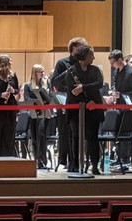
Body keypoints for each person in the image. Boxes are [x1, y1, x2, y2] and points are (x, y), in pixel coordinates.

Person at [55, 45, 104, 174]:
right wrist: (87, 96)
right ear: (84, 56)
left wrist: (84, 87)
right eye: (91, 55)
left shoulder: (95, 70)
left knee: (93, 137)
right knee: (76, 137)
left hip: (93, 108)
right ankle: (76, 164)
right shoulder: (72, 71)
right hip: (76, 109)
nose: (93, 57)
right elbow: (73, 90)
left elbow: (99, 83)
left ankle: (94, 165)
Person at [52, 37, 88, 170]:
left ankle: (79, 161)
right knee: (66, 132)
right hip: (67, 102)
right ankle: (65, 160)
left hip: (82, 103)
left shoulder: (85, 63)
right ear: (72, 48)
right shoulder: (63, 63)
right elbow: (55, 82)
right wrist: (69, 73)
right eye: (80, 48)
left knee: (79, 134)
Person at [108, 50, 132, 169]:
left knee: (125, 132)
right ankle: (118, 157)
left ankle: (125, 158)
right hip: (119, 106)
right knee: (117, 132)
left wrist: (120, 95)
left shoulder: (131, 73)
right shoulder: (116, 73)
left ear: (120, 60)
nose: (113, 66)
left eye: (113, 63)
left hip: (129, 108)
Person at [23, 64, 52, 169]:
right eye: (40, 71)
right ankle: (37, 160)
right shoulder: (28, 85)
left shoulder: (46, 84)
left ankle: (43, 159)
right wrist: (36, 102)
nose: (43, 73)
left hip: (44, 113)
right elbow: (26, 99)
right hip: (33, 113)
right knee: (35, 137)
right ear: (35, 73)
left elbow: (51, 97)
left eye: (43, 71)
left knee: (41, 135)